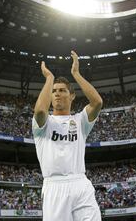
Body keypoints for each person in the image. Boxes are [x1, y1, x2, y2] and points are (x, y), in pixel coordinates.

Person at [32, 50, 103, 221]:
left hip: (80, 182)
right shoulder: (43, 124)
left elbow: (97, 102)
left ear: (71, 96)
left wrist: (76, 74)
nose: (57, 93)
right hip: (54, 186)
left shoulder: (80, 121)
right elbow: (41, 110)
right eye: (54, 91)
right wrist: (49, 78)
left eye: (62, 90)